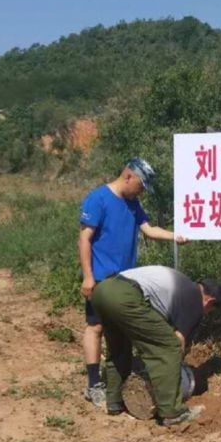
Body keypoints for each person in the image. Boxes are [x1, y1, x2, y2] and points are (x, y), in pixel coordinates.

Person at [78, 158, 186, 406]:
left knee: (121, 331)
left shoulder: (132, 204)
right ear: (128, 176)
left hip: (127, 282)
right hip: (101, 278)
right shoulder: (98, 199)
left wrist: (176, 236)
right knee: (95, 328)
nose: (142, 191)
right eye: (141, 185)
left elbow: (148, 230)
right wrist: (88, 276)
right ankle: (94, 384)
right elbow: (84, 240)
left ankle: (119, 383)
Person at [92, 266, 221, 425]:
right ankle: (172, 412)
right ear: (209, 301)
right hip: (126, 296)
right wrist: (175, 367)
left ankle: (114, 402)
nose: (206, 313)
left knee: (119, 347)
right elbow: (177, 340)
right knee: (170, 347)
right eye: (210, 310)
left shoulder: (184, 286)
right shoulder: (195, 300)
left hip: (103, 289)